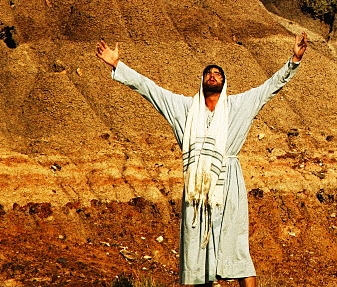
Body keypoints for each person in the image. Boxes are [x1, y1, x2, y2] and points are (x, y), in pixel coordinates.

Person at [95, 32, 309, 287]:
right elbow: (149, 89)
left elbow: (269, 88)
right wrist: (118, 64)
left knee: (235, 245)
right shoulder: (184, 108)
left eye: (218, 73)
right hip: (196, 188)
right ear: (201, 81)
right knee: (197, 249)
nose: (213, 75)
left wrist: (293, 60)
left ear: (225, 82)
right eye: (209, 73)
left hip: (228, 183)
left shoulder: (238, 105)